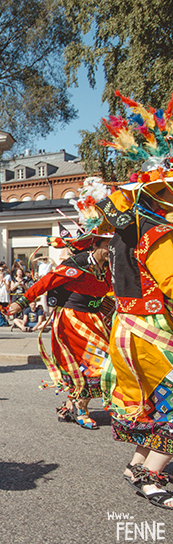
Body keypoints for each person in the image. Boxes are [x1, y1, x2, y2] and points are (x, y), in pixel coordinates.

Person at [94, 95, 173, 510]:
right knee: (171, 401)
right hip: (150, 331)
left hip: (129, 329)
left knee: (158, 399)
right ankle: (151, 476)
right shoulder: (158, 235)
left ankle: (138, 464)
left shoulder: (125, 234)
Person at [9, 198, 113, 429]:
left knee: (88, 364)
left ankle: (69, 406)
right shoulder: (78, 263)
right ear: (95, 244)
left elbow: (109, 290)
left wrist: (108, 302)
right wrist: (22, 301)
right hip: (73, 321)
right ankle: (79, 408)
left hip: (94, 321)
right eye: (108, 245)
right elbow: (47, 281)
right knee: (98, 363)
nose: (111, 249)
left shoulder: (108, 268)